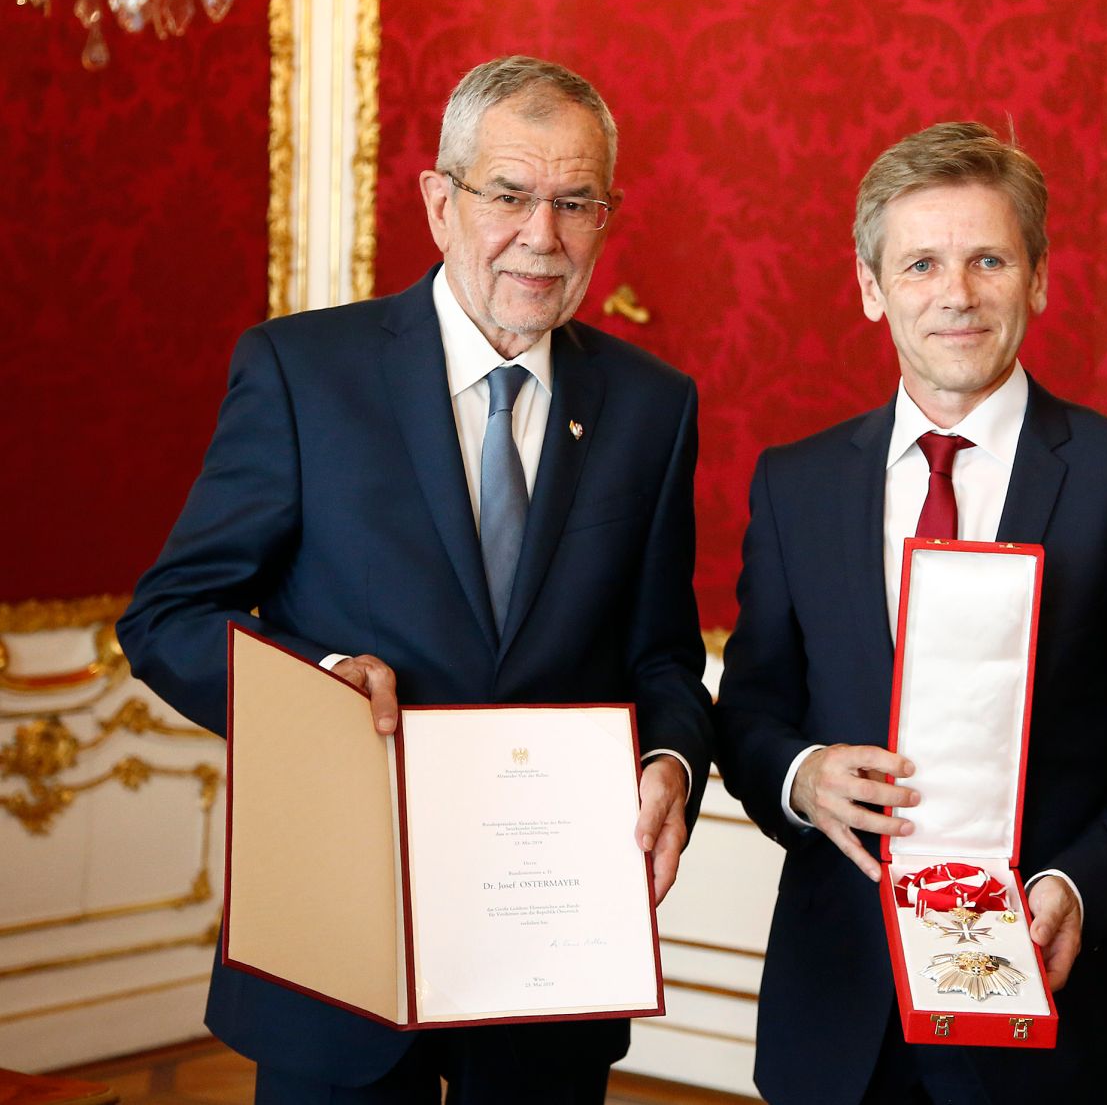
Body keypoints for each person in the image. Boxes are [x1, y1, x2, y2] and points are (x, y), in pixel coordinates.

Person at [118, 56, 714, 1104]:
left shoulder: (650, 405)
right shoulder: (303, 372)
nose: (542, 234)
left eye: (575, 201)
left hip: (544, 958)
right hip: (337, 947)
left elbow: (661, 650)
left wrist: (669, 757)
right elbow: (166, 616)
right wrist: (320, 679)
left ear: (607, 215)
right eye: (509, 194)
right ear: (440, 201)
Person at [713, 121, 1107, 1105]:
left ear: (1035, 277)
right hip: (835, 1019)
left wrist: (1074, 886)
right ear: (871, 288)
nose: (956, 292)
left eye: (988, 257)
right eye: (921, 263)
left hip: (1047, 1017)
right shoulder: (795, 484)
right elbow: (748, 711)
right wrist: (801, 773)